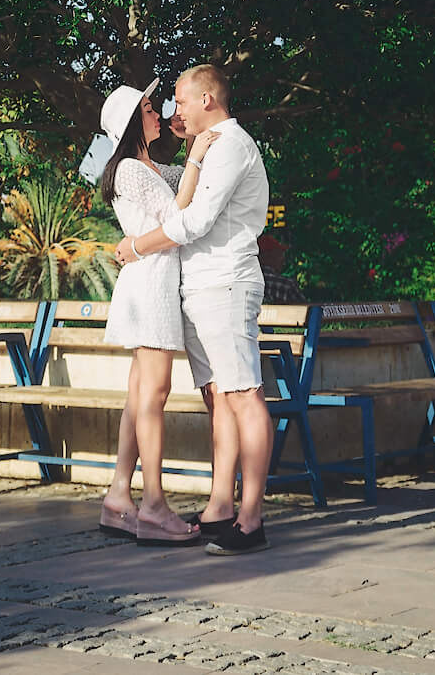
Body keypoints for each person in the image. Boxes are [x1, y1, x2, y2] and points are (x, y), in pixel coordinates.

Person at [113, 63, 272, 555]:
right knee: (217, 398)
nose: (172, 112)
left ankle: (252, 517)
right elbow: (187, 198)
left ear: (207, 100)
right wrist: (190, 146)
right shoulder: (207, 148)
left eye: (180, 101)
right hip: (199, 288)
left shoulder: (231, 145)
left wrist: (137, 247)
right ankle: (220, 507)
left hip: (225, 284)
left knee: (244, 394)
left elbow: (195, 221)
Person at [89, 82, 203, 545]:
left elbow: (186, 191)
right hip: (152, 283)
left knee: (140, 394)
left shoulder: (150, 167)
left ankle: (120, 494)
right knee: (153, 393)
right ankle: (153, 504)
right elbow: (178, 219)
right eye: (151, 109)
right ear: (133, 122)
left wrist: (188, 140)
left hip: (147, 281)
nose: (160, 114)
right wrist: (196, 155)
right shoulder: (132, 170)